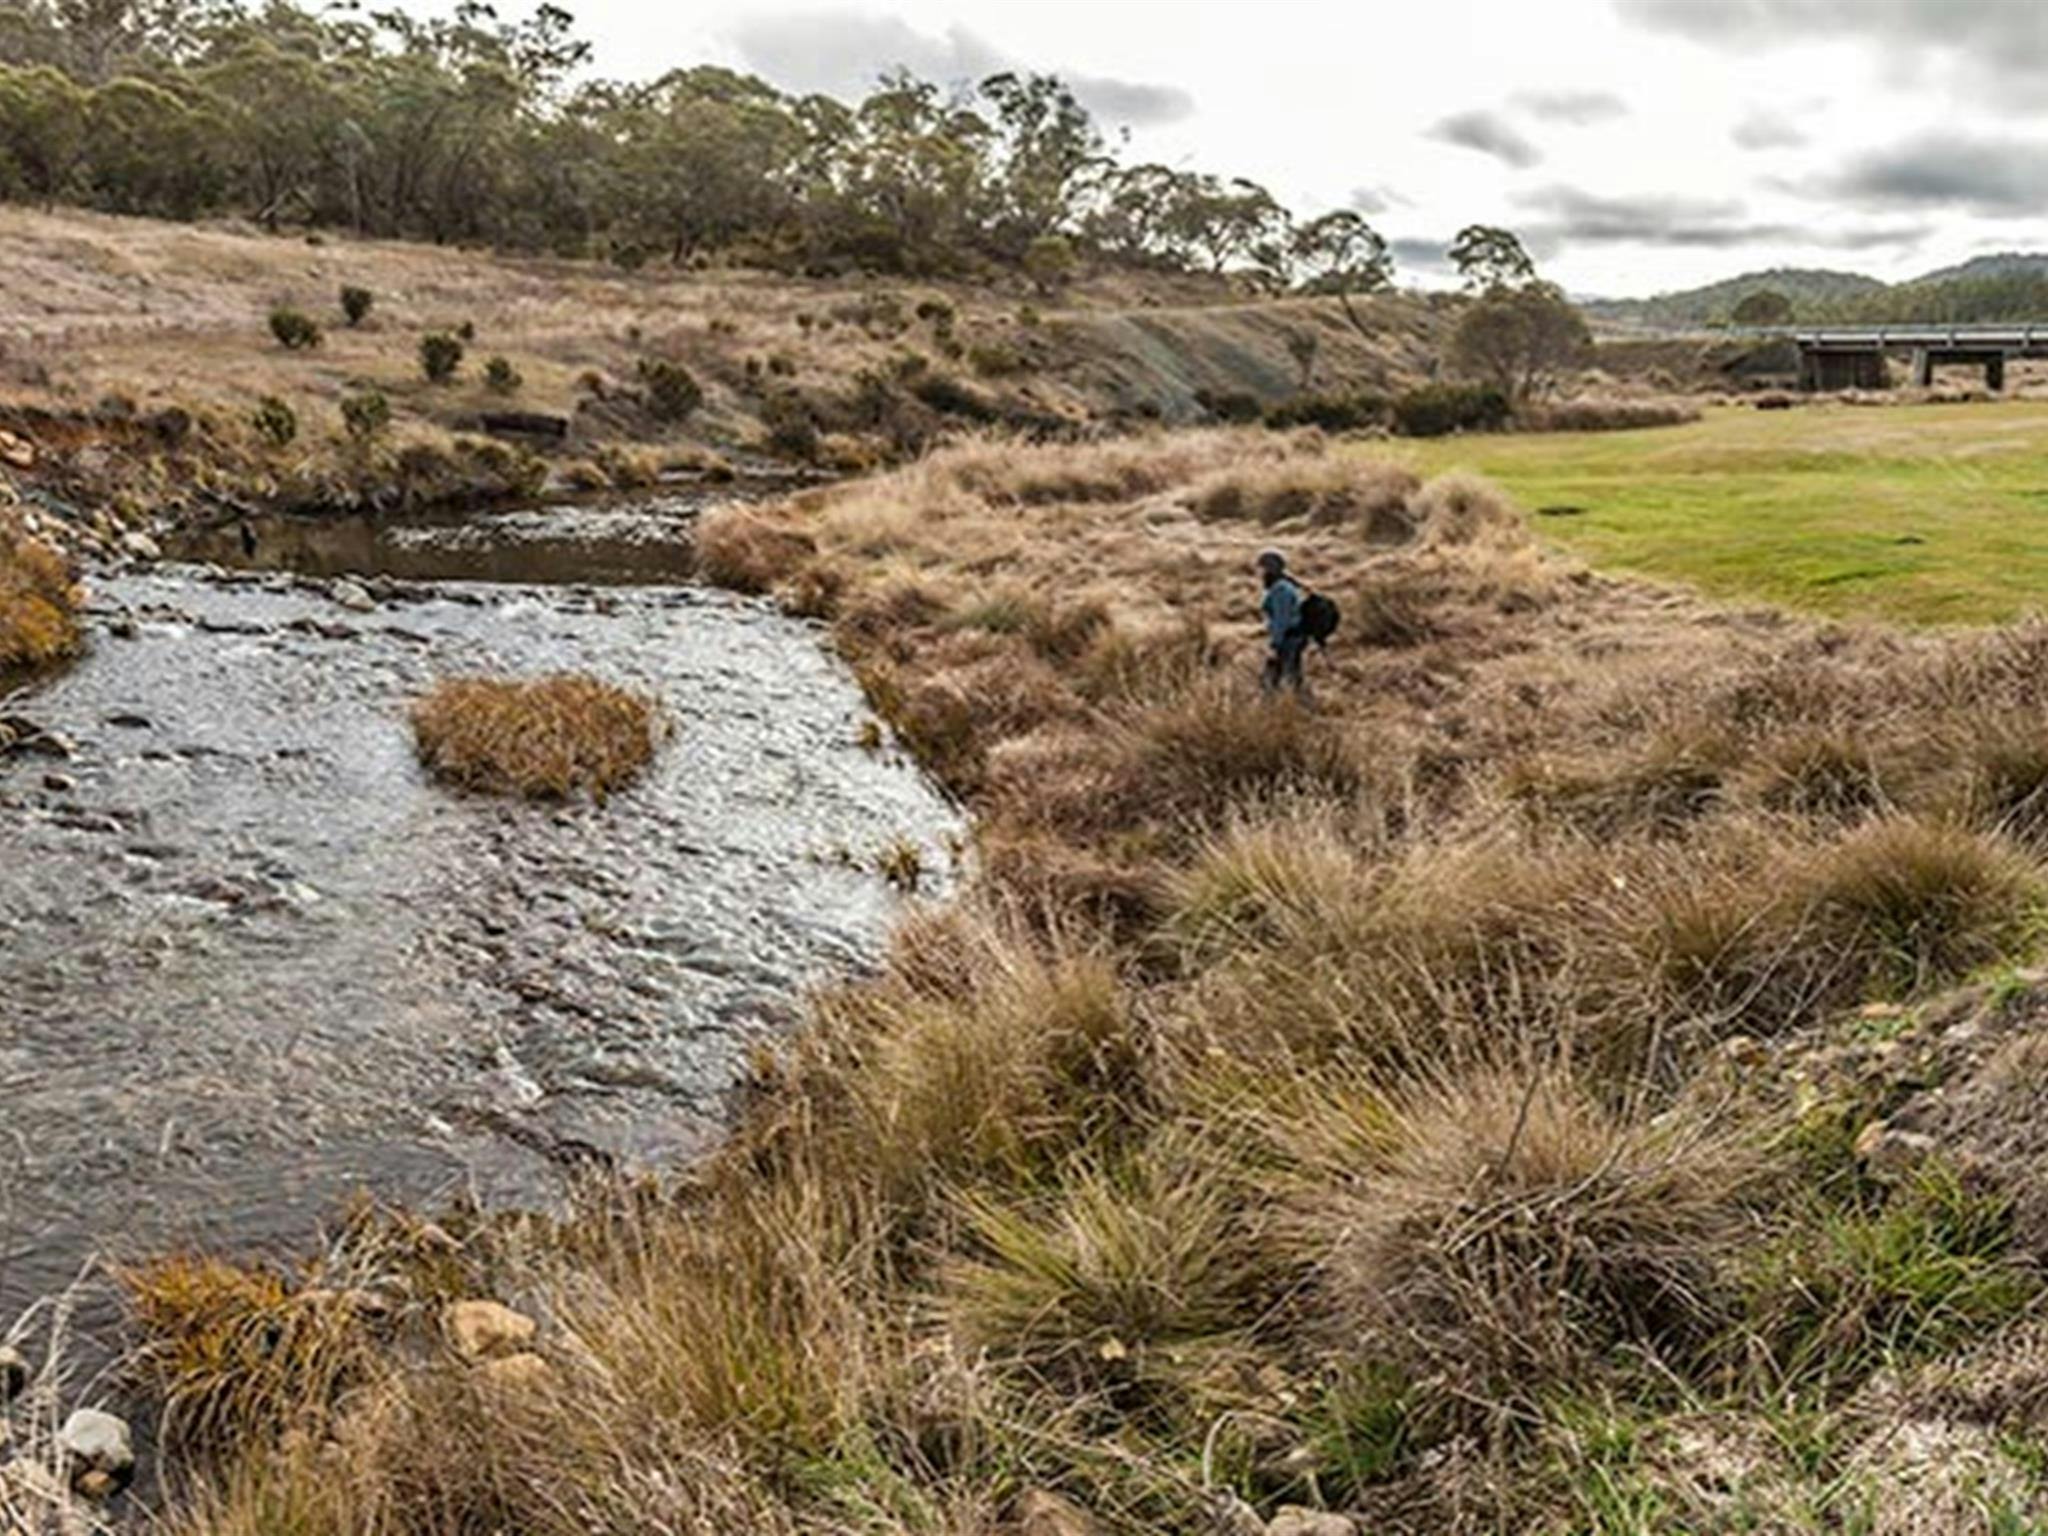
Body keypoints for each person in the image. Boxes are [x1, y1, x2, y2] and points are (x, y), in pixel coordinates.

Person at [1257, 548, 1306, 695]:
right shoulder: (1283, 586)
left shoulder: (1280, 590)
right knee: (1291, 676)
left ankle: (1277, 708)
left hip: (1288, 638)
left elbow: (1281, 619)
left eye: (1262, 568)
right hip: (1293, 637)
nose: (1259, 573)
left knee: (1274, 678)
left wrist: (1275, 643)